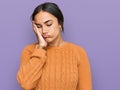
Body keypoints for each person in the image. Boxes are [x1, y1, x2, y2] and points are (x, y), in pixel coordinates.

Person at [17, 2, 92, 90]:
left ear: (60, 24)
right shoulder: (29, 51)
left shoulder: (78, 52)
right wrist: (40, 48)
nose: (44, 31)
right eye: (39, 26)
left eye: (49, 24)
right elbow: (26, 84)